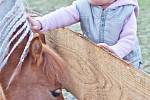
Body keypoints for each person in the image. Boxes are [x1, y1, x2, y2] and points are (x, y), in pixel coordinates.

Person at [28, 0, 142, 69]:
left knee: (124, 89)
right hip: (98, 58)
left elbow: (128, 39)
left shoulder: (126, 10)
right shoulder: (83, 6)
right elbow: (63, 15)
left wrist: (116, 50)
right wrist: (41, 23)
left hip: (126, 61)